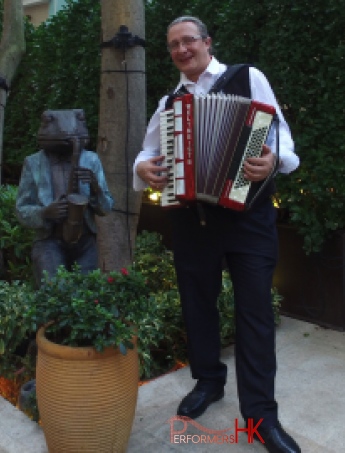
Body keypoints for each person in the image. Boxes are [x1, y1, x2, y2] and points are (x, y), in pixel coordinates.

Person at [133, 16, 300, 453]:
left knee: (255, 316)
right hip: (193, 224)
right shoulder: (171, 103)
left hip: (249, 221)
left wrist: (274, 161)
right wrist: (142, 169)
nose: (182, 49)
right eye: (173, 45)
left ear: (207, 42)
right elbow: (147, 153)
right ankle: (209, 381)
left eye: (189, 40)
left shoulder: (247, 77)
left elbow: (280, 135)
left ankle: (261, 418)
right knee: (197, 306)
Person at [16, 109, 114, 287]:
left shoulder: (91, 160)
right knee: (54, 293)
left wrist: (96, 189)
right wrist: (45, 213)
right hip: (49, 240)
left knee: (87, 296)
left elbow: (106, 208)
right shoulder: (33, 163)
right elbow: (22, 209)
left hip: (85, 241)